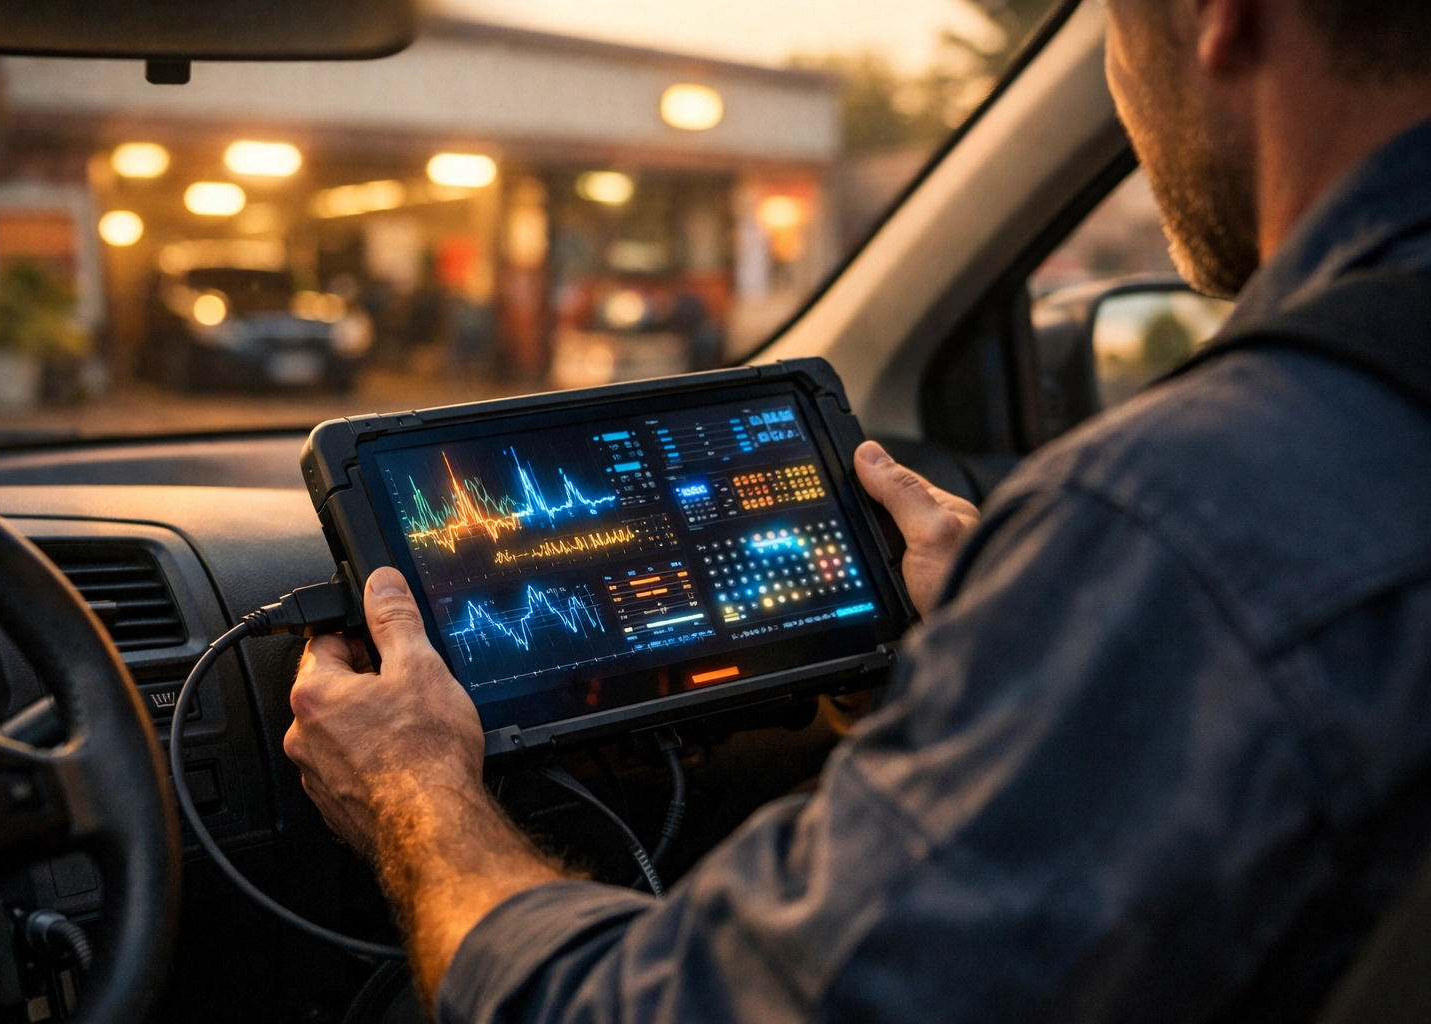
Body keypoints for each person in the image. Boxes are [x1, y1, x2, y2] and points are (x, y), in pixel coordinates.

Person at [283, 0, 1431, 1018]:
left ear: (1217, 15)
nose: (1124, 90)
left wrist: (415, 791)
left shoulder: (1179, 527)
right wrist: (1021, 638)